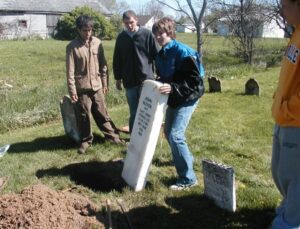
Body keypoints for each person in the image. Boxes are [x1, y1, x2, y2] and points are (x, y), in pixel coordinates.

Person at [152, 17, 205, 190]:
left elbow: (195, 81)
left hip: (188, 96)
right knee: (168, 133)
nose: (159, 37)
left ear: (170, 33)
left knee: (176, 135)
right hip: (175, 97)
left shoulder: (184, 52)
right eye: (156, 34)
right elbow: (167, 77)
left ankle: (188, 179)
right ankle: (186, 160)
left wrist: (173, 88)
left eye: (162, 33)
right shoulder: (161, 54)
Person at [66, 15, 124, 154]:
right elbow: (70, 71)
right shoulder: (72, 47)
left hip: (97, 86)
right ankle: (86, 141)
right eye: (85, 30)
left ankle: (113, 137)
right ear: (78, 30)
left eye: (90, 29)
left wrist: (105, 82)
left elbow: (103, 65)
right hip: (82, 88)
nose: (88, 33)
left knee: (102, 113)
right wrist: (72, 91)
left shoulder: (98, 43)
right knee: (84, 116)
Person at [271, 0, 300, 228]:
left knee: (295, 178)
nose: (281, 10)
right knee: (280, 173)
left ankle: (291, 222)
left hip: (296, 121)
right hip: (283, 118)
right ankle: (287, 209)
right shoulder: (296, 33)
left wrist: (287, 107)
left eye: (284, 5)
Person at [113, 10, 159, 133]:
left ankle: (148, 136)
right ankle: (133, 137)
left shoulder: (147, 35)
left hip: (147, 80)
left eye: (131, 22)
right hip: (129, 81)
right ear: (123, 23)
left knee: (148, 110)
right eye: (126, 23)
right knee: (133, 111)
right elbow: (117, 59)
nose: (129, 25)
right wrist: (118, 78)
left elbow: (157, 55)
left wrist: (160, 74)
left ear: (137, 20)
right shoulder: (121, 38)